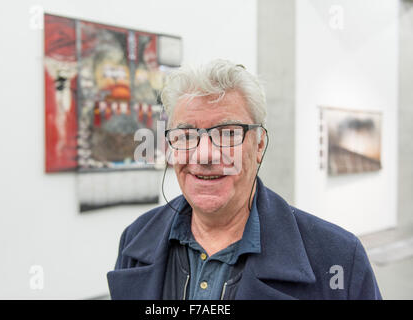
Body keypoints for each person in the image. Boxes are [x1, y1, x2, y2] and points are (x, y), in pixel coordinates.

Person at [107, 59, 382, 300]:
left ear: (260, 144)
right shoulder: (137, 238)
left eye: (227, 134)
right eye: (186, 135)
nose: (204, 155)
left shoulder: (339, 260)